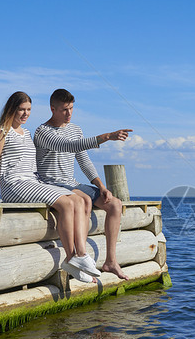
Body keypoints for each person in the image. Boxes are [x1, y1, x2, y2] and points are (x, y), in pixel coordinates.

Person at [0, 91, 102, 283]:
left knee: (77, 200)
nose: (25, 114)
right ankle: (71, 258)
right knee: (66, 205)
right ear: (12, 109)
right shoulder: (1, 133)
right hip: (14, 184)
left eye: (29, 110)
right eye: (21, 110)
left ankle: (78, 257)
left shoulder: (26, 133)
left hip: (33, 181)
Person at [34, 88, 133, 280]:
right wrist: (105, 137)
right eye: (64, 109)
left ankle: (111, 261)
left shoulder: (75, 129)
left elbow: (83, 159)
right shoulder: (42, 132)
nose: (69, 113)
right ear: (52, 109)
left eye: (71, 108)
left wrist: (102, 186)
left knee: (115, 204)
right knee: (85, 199)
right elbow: (69, 146)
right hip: (52, 184)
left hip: (72, 183)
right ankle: (79, 257)